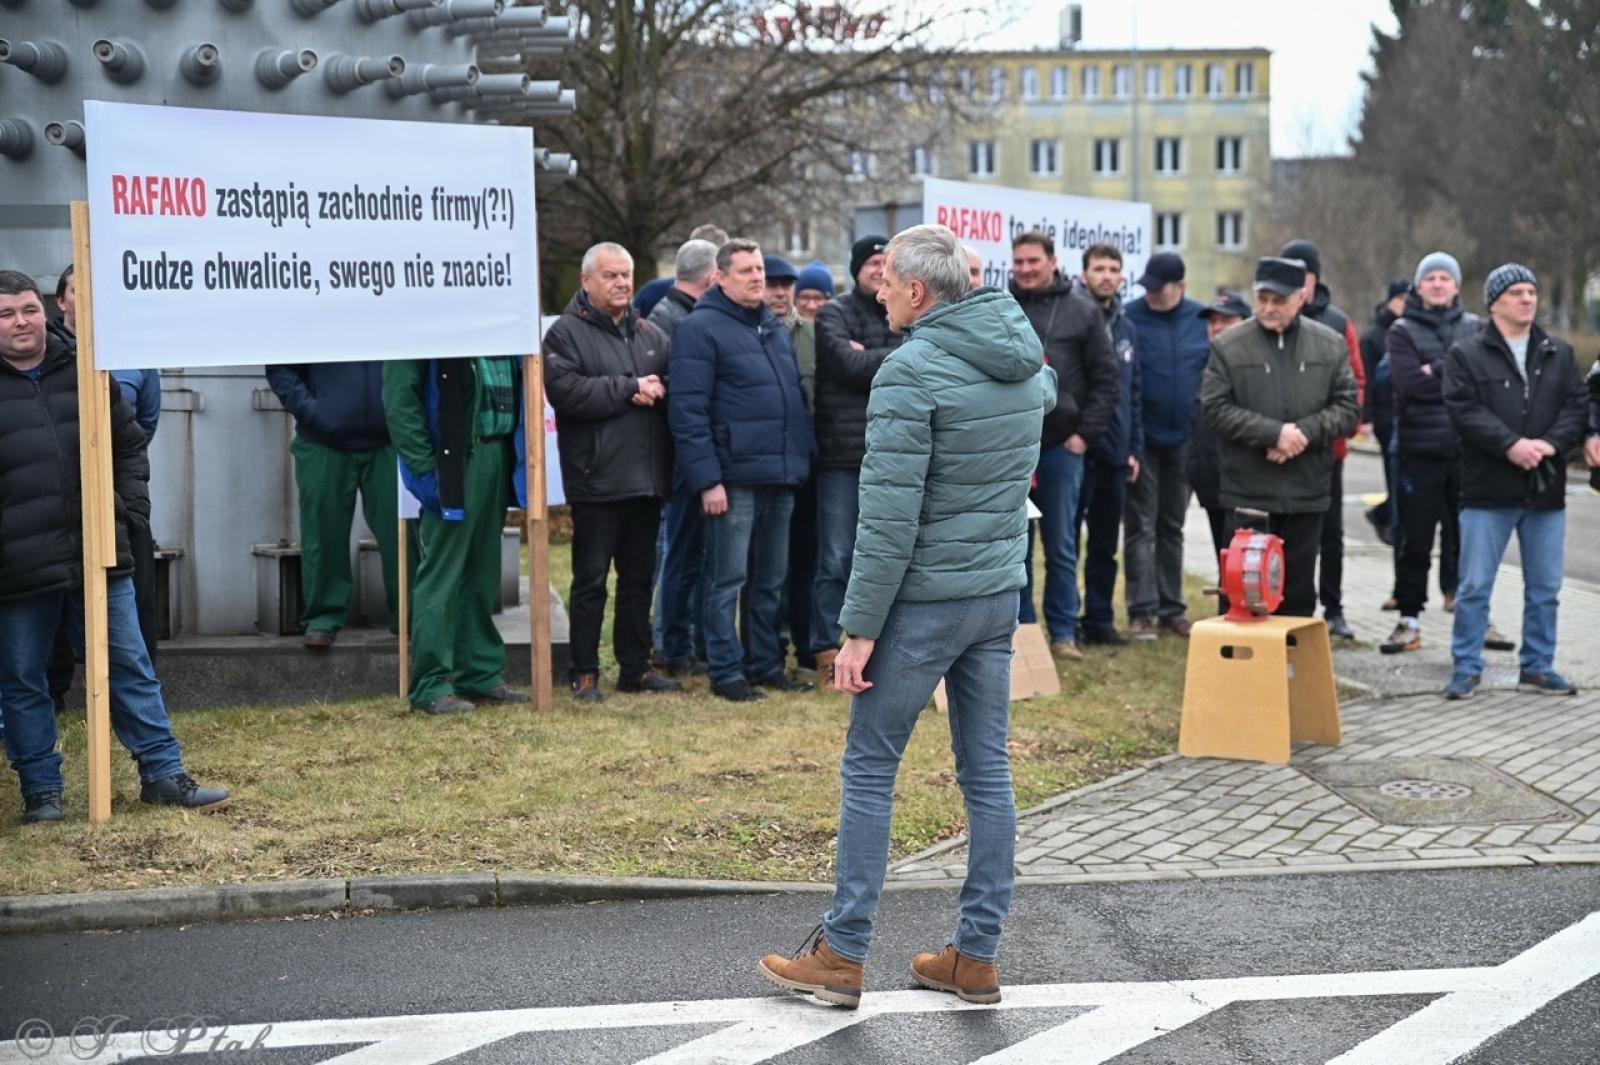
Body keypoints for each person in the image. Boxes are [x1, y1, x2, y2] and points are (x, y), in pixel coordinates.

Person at [758, 223, 1054, 1009]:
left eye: (887, 280)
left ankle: (843, 951)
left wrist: (858, 632)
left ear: (918, 292)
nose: (877, 290)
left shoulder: (909, 372)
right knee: (987, 774)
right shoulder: (1023, 361)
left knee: (869, 766)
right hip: (996, 593)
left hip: (925, 601)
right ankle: (975, 955)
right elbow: (1041, 408)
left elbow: (886, 521)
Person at [0, 270, 228, 824]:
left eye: (27, 309)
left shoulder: (85, 368)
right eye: (5, 314)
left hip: (97, 551)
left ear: (44, 310)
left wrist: (127, 516)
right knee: (23, 677)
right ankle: (42, 793)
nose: (20, 323)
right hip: (18, 564)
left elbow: (129, 449)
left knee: (129, 663)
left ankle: (163, 774)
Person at [668, 239, 814, 701]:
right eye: (746, 270)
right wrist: (707, 480)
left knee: (769, 580)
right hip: (732, 479)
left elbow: (791, 399)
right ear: (720, 277)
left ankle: (765, 663)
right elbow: (688, 412)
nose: (757, 278)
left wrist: (800, 459)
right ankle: (727, 671)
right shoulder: (700, 329)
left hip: (780, 475)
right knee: (726, 579)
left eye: (759, 270)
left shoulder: (770, 327)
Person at [1441, 265, 1587, 699]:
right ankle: (1467, 666)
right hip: (1488, 491)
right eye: (1517, 292)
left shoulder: (1558, 353)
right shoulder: (1466, 354)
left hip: (1545, 490)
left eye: (1532, 291)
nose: (1527, 299)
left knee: (1545, 588)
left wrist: (1546, 445)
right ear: (1494, 303)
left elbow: (1577, 407)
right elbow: (1463, 410)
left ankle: (1538, 666)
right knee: (1474, 586)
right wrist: (1510, 445)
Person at [545, 242, 680, 702]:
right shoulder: (564, 335)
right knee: (590, 582)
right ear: (586, 281)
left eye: (626, 274)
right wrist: (629, 388)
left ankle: (635, 668)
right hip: (597, 480)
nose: (622, 282)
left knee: (639, 581)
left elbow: (671, 387)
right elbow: (567, 392)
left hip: (645, 480)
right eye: (611, 275)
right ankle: (583, 673)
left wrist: (653, 388)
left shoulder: (651, 334)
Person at [1200, 257, 1360, 618]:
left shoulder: (1330, 345)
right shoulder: (1229, 345)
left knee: (1299, 596)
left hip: (1306, 491)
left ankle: (1292, 670)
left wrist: (1302, 434)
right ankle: (1242, 672)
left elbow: (1349, 407)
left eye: (1279, 300)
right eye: (1263, 299)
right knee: (1244, 593)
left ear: (1301, 297)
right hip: (1248, 491)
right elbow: (1214, 408)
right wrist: (1272, 434)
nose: (1269, 308)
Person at [384, 347, 528, 715]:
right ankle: (431, 683)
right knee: (442, 573)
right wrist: (426, 472)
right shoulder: (422, 320)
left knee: (482, 572)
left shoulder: (495, 320)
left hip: (495, 455)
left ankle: (478, 673)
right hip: (456, 463)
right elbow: (400, 401)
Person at [1009, 231, 1118, 659]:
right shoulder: (1001, 307)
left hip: (1060, 449)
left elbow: (1107, 380)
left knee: (1061, 543)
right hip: (1010, 448)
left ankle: (1062, 631)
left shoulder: (1083, 312)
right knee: (1014, 545)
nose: (1025, 269)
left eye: (1033, 261)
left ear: (1052, 262)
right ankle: (1021, 630)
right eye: (1018, 262)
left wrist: (1084, 435)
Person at [810, 236, 901, 685]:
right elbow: (847, 364)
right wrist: (893, 358)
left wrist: (876, 359)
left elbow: (913, 364)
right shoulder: (834, 312)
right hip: (841, 457)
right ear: (856, 268)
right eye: (872, 262)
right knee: (835, 557)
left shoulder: (902, 310)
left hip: (891, 459)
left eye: (887, 263)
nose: (878, 269)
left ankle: (877, 649)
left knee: (886, 555)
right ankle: (826, 649)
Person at [1380, 252, 1479, 655]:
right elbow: (1407, 385)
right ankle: (1409, 620)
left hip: (1468, 451)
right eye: (1430, 278)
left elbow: (1480, 383)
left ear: (1456, 286)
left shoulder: (1477, 327)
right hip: (1418, 452)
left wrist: (1432, 369)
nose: (1437, 284)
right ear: (1418, 287)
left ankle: (1476, 616)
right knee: (1414, 540)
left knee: (1471, 539)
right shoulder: (1402, 330)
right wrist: (1452, 371)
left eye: (1445, 277)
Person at [266, 358, 399, 651]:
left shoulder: (392, 312)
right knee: (322, 534)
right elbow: (280, 366)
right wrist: (313, 410)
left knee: (403, 531)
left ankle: (411, 615)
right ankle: (322, 618)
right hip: (321, 441)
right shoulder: (311, 313)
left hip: (391, 439)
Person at [1279, 240, 1367, 641]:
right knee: (1285, 533)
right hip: (1277, 451)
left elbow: (1357, 384)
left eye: (1305, 274)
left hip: (1326, 451)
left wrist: (1333, 429)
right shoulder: (1270, 318)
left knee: (1330, 534)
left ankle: (1333, 609)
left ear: (1314, 279)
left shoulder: (1337, 322)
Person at [1122, 251, 1209, 640]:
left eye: (1160, 289)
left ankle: (1172, 608)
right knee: (1140, 525)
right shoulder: (1131, 318)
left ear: (1181, 287)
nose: (1152, 295)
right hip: (1144, 441)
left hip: (1184, 442)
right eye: (1149, 288)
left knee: (1172, 525)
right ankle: (1141, 610)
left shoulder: (1200, 319)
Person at [648, 238, 721, 677]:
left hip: (689, 451)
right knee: (679, 551)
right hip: (681, 453)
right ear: (713, 278)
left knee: (691, 553)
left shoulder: (672, 314)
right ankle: (672, 644)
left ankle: (684, 642)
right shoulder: (670, 320)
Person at [1071, 243, 1142, 646]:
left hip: (1115, 452)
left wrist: (1134, 447)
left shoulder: (1127, 325)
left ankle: (1099, 619)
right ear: (1084, 274)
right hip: (1077, 450)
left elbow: (1134, 393)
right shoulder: (1075, 317)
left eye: (1113, 268)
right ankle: (1067, 621)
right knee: (1066, 545)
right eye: (1099, 268)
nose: (1107, 275)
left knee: (1104, 544)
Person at [763, 253, 817, 676]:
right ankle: (766, 648)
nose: (780, 292)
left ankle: (806, 643)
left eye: (787, 284)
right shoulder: (751, 331)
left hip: (809, 463)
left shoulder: (815, 334)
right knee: (764, 565)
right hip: (763, 465)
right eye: (772, 283)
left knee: (806, 560)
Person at [1188, 291, 1250, 613]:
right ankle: (1227, 620)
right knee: (1224, 558)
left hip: (1247, 484)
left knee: (1244, 562)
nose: (1217, 327)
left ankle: (1240, 617)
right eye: (1213, 321)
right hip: (1213, 480)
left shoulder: (1252, 363)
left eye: (1226, 320)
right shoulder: (1205, 362)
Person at [1360, 278, 1410, 550]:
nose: (1404, 304)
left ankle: (1383, 513)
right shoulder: (1373, 336)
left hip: (1407, 414)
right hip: (1384, 416)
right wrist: (1365, 418)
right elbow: (1365, 378)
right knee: (1395, 475)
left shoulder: (1412, 330)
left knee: (1405, 479)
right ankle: (1389, 520)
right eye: (1400, 298)